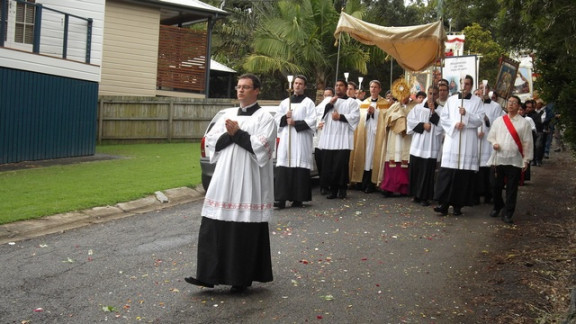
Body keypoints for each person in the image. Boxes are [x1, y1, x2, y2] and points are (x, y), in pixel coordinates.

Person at [185, 74, 276, 293]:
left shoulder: (265, 118)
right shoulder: (227, 115)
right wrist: (233, 134)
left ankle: (240, 278)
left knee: (242, 229)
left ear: (257, 90)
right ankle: (207, 275)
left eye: (246, 87)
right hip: (224, 178)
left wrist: (238, 133)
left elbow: (262, 148)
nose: (241, 90)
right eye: (239, 87)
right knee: (213, 223)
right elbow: (212, 141)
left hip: (249, 182)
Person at [434, 75, 484, 216]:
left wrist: (466, 115)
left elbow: (480, 120)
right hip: (453, 139)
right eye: (463, 83)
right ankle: (443, 204)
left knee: (463, 175)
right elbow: (443, 118)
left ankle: (458, 205)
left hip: (468, 140)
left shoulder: (477, 101)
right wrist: (455, 124)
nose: (465, 86)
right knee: (448, 173)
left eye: (468, 84)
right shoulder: (451, 100)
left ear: (471, 86)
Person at [487, 95, 533, 224]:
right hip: (499, 158)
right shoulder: (499, 121)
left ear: (519, 106)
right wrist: (494, 143)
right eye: (510, 102)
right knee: (495, 185)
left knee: (512, 189)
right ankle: (498, 206)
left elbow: (527, 142)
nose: (511, 104)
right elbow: (491, 136)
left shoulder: (524, 123)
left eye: (514, 102)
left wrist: (526, 160)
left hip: (514, 159)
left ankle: (508, 213)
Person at [274, 75, 317, 209]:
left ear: (304, 86)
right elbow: (276, 119)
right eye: (296, 83)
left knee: (299, 167)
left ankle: (298, 199)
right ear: (292, 86)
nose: (297, 86)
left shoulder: (308, 102)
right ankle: (280, 199)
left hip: (301, 139)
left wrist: (295, 122)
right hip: (287, 139)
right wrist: (284, 118)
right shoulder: (285, 102)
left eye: (300, 84)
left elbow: (312, 120)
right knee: (284, 168)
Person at [316, 79, 360, 199]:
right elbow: (319, 114)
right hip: (329, 138)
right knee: (329, 165)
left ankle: (342, 189)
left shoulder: (352, 102)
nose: (338, 87)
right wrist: (330, 104)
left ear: (346, 88)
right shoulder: (329, 101)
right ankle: (333, 190)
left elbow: (355, 117)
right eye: (336, 85)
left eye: (341, 85)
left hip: (343, 138)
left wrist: (340, 116)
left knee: (340, 165)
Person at [349, 80, 388, 193]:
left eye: (376, 87)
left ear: (380, 89)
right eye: (371, 87)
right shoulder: (364, 103)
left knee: (373, 159)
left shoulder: (385, 103)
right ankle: (362, 182)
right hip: (365, 134)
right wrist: (367, 114)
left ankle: (373, 182)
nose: (373, 89)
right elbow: (360, 119)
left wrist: (375, 113)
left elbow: (385, 120)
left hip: (377, 136)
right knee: (365, 158)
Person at [377, 79, 414, 197]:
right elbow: (387, 118)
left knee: (404, 162)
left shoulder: (414, 106)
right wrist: (398, 116)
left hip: (406, 137)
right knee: (392, 161)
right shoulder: (394, 106)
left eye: (405, 94)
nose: (403, 97)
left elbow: (414, 120)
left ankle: (404, 188)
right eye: (400, 95)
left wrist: (403, 116)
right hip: (394, 137)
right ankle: (389, 187)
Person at [407, 85, 442, 206]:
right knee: (416, 170)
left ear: (437, 96)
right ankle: (416, 194)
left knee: (427, 172)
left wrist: (433, 113)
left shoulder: (441, 110)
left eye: (434, 94)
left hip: (431, 146)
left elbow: (442, 128)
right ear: (427, 93)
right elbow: (410, 121)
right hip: (418, 144)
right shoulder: (418, 108)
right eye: (430, 93)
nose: (432, 96)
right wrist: (422, 125)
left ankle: (425, 197)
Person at [475, 83, 504, 204]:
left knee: (487, 168)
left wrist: (488, 121)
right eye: (481, 88)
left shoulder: (496, 106)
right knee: (476, 169)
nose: (483, 90)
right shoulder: (474, 104)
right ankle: (475, 194)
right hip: (476, 140)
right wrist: (477, 131)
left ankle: (488, 194)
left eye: (486, 88)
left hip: (488, 140)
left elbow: (499, 123)